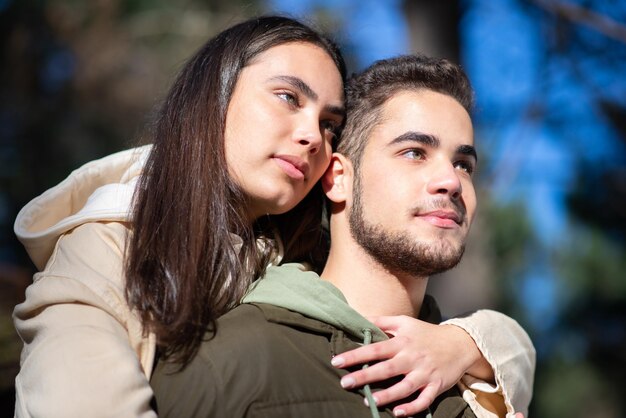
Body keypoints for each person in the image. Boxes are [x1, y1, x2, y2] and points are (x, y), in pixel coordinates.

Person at [12, 16, 533, 418]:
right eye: (288, 98)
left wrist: (473, 341)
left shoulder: (290, 251)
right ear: (212, 99)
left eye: (330, 123)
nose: (314, 137)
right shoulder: (104, 251)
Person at [150, 54, 534, 418]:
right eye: (415, 152)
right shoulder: (228, 360)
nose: (451, 182)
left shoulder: (480, 390)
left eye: (463, 164)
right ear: (338, 178)